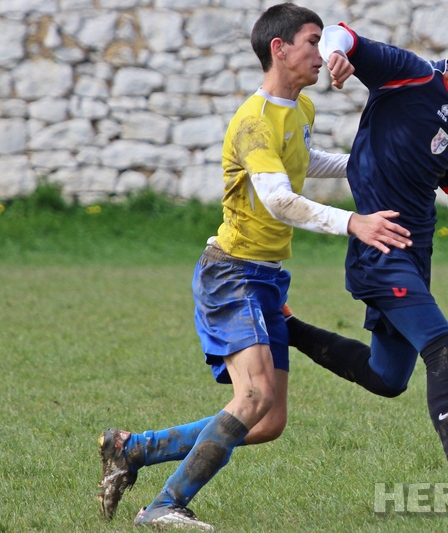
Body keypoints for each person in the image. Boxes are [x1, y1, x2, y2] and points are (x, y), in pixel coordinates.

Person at [96, 4, 411, 530]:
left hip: (264, 277)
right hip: (233, 272)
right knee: (255, 396)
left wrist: (368, 165)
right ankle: (163, 507)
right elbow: (280, 201)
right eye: (313, 41)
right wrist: (354, 222)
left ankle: (131, 450)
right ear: (279, 49)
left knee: (266, 421)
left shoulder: (300, 110)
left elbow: (303, 163)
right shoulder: (254, 121)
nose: (322, 52)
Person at [283, 23, 448, 523]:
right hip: (378, 249)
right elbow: (341, 34)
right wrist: (337, 56)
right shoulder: (410, 75)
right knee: (442, 346)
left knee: (388, 377)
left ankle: (285, 327)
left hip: (415, 254)